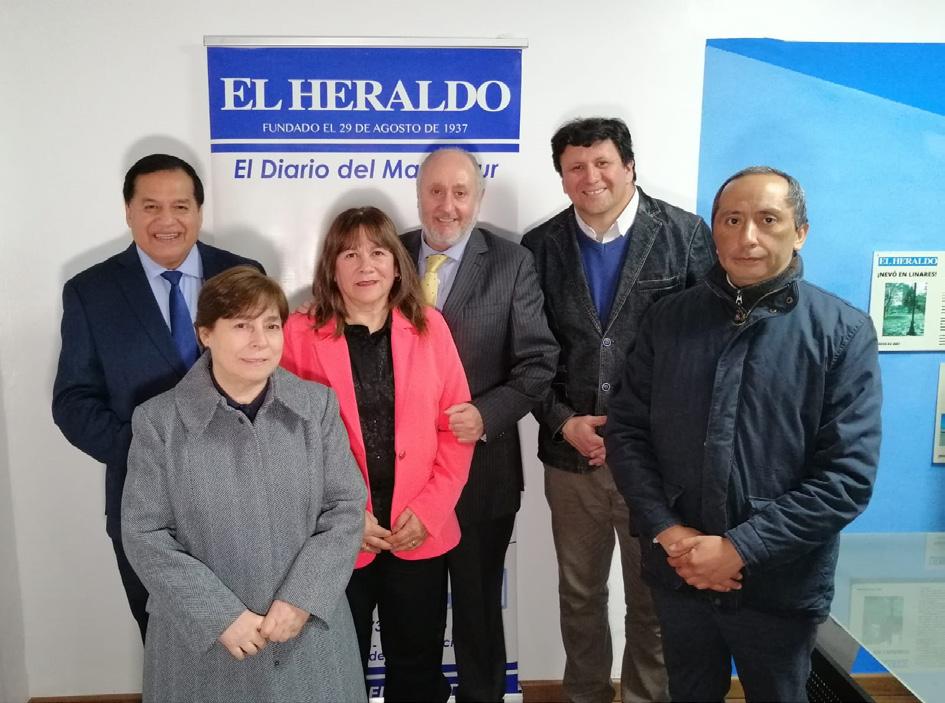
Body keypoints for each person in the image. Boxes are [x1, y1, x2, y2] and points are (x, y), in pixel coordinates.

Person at [606, 167, 882, 702]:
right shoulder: (669, 320)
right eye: (731, 220)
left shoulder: (842, 332)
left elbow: (846, 478)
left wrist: (739, 548)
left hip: (780, 583)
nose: (747, 237)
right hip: (680, 572)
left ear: (800, 232)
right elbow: (627, 434)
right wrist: (669, 531)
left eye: (768, 219)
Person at [521, 117, 715, 703]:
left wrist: (643, 430)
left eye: (603, 162)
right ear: (562, 178)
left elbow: (705, 349)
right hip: (570, 456)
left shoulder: (685, 235)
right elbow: (528, 352)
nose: (591, 177)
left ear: (629, 166)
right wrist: (562, 420)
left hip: (656, 462)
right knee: (580, 595)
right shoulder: (539, 246)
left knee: (653, 597)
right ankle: (585, 695)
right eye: (575, 167)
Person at [120, 266, 366, 703]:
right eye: (241, 326)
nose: (260, 341)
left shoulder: (317, 407)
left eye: (271, 326)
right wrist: (219, 616)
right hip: (202, 645)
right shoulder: (158, 421)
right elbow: (144, 534)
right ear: (205, 334)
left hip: (306, 635)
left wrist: (302, 598)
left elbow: (346, 508)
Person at [52, 153, 262, 639]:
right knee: (167, 643)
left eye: (180, 206)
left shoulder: (243, 273)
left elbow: (268, 375)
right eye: (151, 207)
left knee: (249, 640)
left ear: (199, 211)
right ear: (128, 211)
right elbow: (73, 401)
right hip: (146, 505)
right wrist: (148, 450)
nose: (167, 221)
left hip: (243, 498)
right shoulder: (90, 291)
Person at [281, 206, 474, 703]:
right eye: (350, 254)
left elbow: (455, 430)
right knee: (336, 669)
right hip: (334, 535)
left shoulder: (431, 328)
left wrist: (429, 511)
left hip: (418, 529)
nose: (365, 265)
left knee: (417, 667)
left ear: (397, 264)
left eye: (378, 252)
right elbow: (284, 443)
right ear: (331, 266)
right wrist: (344, 517)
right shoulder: (298, 334)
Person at [401, 147, 558, 702]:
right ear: (418, 194)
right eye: (435, 191)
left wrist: (487, 414)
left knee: (478, 611)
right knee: (412, 617)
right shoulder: (389, 255)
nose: (447, 206)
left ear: (479, 197)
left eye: (460, 192)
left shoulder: (512, 263)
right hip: (403, 481)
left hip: (482, 476)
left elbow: (539, 363)